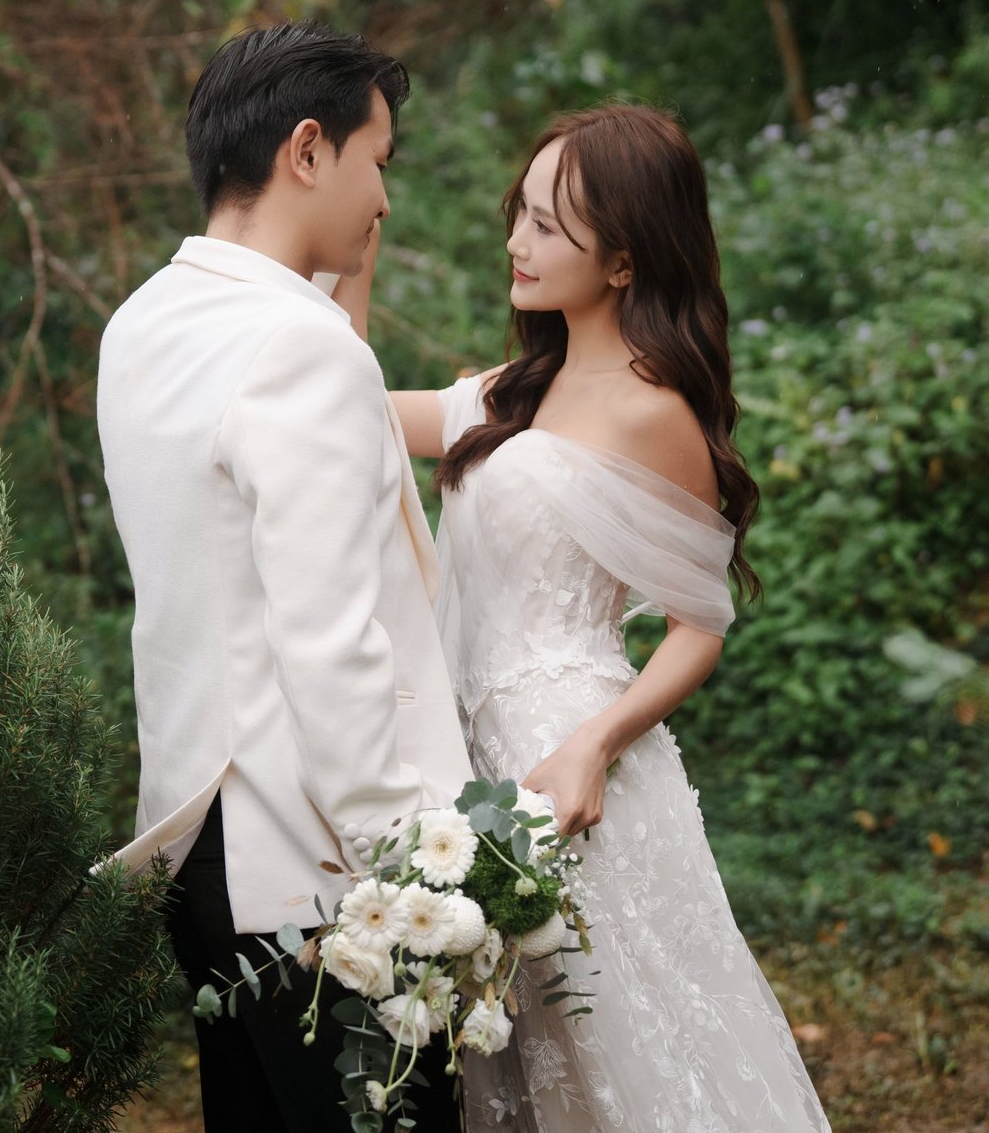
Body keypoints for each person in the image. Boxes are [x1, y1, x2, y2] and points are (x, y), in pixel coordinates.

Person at [341, 104, 831, 1131]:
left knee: (618, 1044)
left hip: (580, 766)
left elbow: (700, 622)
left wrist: (595, 745)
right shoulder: (515, 391)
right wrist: (349, 261)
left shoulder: (654, 406)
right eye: (519, 214)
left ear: (623, 258)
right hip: (469, 759)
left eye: (551, 226)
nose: (519, 242)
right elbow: (350, 410)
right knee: (512, 1053)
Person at [96, 22, 474, 1132]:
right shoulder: (298, 346)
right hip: (314, 866)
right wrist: (415, 873)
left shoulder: (144, 323)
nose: (385, 204)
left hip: (194, 837)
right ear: (308, 150)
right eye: (379, 162)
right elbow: (329, 639)